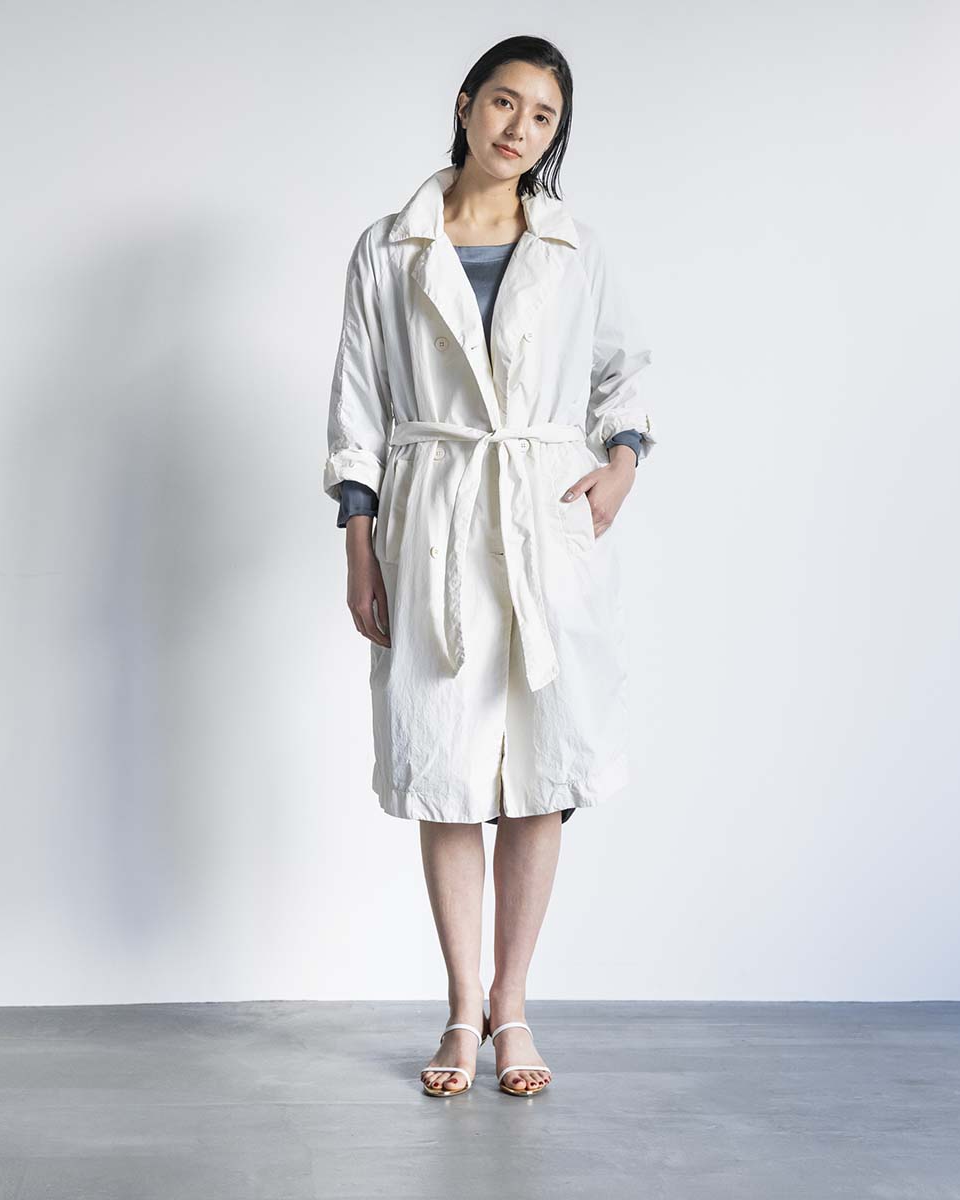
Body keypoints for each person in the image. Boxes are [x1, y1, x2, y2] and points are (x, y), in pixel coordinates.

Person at [322, 35, 655, 1097]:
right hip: (434, 520)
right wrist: (360, 546)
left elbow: (623, 372)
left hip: (543, 521)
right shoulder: (389, 247)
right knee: (449, 774)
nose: (520, 128)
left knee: (540, 778)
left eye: (543, 116)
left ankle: (513, 1009)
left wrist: (619, 468)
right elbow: (358, 402)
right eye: (505, 102)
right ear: (466, 104)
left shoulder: (573, 246)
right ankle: (461, 1011)